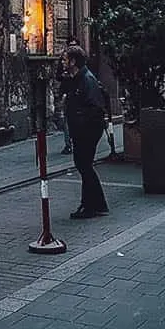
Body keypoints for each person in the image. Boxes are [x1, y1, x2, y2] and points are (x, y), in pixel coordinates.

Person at [61, 45, 109, 219]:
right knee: (84, 166)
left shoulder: (87, 80)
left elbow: (95, 108)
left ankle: (93, 205)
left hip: (87, 131)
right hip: (81, 130)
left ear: (73, 61)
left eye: (65, 59)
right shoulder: (76, 78)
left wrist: (81, 127)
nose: (62, 62)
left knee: (84, 166)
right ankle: (92, 204)